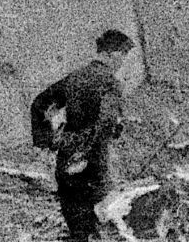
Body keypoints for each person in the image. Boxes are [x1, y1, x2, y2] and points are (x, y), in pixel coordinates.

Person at [32, 29, 134, 241]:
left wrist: (48, 140)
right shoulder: (110, 83)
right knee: (104, 225)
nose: (123, 61)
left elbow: (39, 104)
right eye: (122, 54)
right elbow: (105, 126)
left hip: (67, 160)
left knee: (77, 228)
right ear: (109, 53)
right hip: (95, 165)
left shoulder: (75, 78)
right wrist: (111, 131)